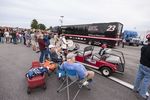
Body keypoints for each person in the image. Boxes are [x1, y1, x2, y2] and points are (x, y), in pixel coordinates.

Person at [133, 33, 150, 99]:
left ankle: (135, 88)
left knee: (138, 77)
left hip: (142, 65)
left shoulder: (143, 47)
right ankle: (142, 94)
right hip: (148, 67)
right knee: (146, 81)